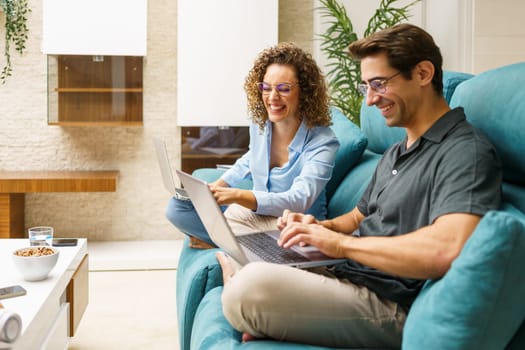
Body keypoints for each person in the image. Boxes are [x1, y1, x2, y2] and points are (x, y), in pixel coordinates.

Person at [216, 23, 503, 348]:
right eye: (364, 86)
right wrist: (315, 227)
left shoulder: (466, 152)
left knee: (248, 287)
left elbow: (445, 249)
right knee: (246, 237)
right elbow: (355, 219)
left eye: (379, 84)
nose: (369, 100)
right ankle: (262, 304)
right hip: (348, 274)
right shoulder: (398, 150)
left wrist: (340, 245)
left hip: (388, 303)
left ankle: (247, 295)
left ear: (423, 73)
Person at [166, 42, 340, 249]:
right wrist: (219, 186)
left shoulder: (323, 142)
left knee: (233, 217)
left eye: (283, 89)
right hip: (256, 216)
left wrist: (239, 195)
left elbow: (299, 199)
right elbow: (250, 158)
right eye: (266, 88)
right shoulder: (261, 124)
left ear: (305, 93)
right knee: (179, 207)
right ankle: (235, 241)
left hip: (292, 224)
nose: (272, 97)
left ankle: (225, 241)